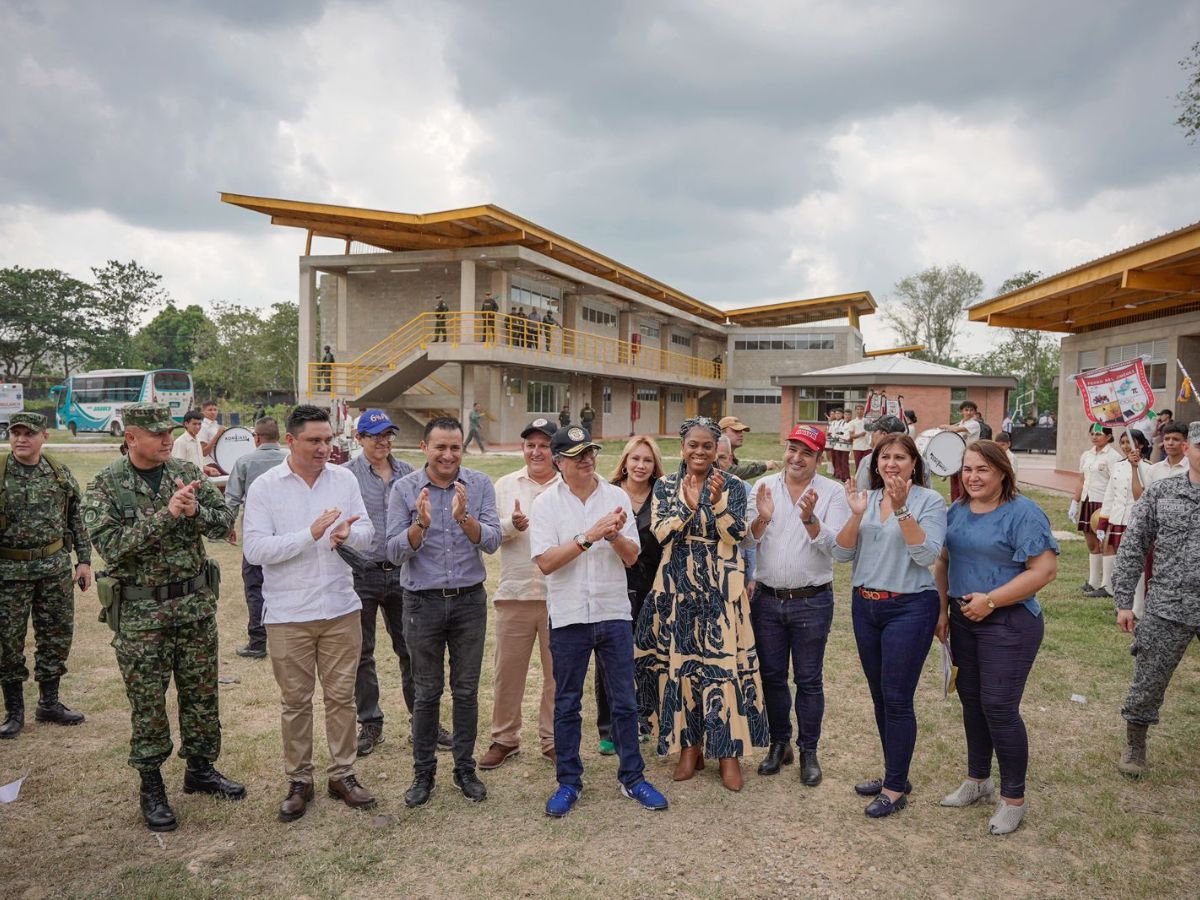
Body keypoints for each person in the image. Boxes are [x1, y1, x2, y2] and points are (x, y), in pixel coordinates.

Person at [83, 403, 244, 832]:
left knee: (201, 694)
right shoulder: (106, 485)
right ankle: (152, 784)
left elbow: (224, 524)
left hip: (193, 607)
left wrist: (195, 512)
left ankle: (201, 769)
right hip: (141, 614)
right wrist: (167, 514)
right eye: (156, 434)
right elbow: (112, 547)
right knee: (149, 704)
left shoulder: (186, 473)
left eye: (169, 432)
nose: (167, 439)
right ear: (131, 438)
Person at [243, 405, 377, 822]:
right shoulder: (266, 487)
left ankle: (343, 773)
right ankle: (299, 780)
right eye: (314, 440)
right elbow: (255, 550)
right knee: (296, 702)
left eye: (328, 440)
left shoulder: (344, 478)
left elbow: (369, 533)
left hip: (340, 607)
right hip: (288, 613)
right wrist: (311, 534)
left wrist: (348, 533)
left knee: (341, 700)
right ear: (291, 441)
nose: (324, 448)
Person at [531, 424, 669, 816]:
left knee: (624, 702)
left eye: (590, 451)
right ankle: (569, 782)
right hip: (570, 615)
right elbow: (545, 563)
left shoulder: (615, 496)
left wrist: (613, 536)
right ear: (559, 463)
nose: (587, 459)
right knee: (567, 703)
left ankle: (633, 778)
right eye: (576, 456)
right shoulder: (546, 504)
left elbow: (631, 557)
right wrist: (588, 536)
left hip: (612, 613)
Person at [638, 416, 769, 792]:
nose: (699, 451)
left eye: (707, 446)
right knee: (682, 672)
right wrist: (689, 507)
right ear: (683, 448)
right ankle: (689, 748)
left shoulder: (733, 485)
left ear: (717, 450)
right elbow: (661, 533)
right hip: (678, 591)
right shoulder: (664, 485)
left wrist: (715, 504)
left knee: (723, 671)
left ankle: (728, 754)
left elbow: (740, 536)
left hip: (720, 593)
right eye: (693, 445)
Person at [934, 440, 1058, 835]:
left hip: (1009, 623)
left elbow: (1043, 571)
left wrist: (991, 600)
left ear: (1003, 472)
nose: (972, 477)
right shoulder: (956, 510)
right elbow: (944, 560)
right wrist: (942, 610)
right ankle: (978, 781)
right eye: (967, 469)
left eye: (982, 470)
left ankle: (1013, 800)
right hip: (963, 620)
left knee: (999, 708)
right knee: (972, 702)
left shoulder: (1023, 513)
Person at [386, 416, 501, 808]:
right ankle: (423, 772)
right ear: (424, 448)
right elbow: (394, 551)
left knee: (466, 691)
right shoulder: (404, 489)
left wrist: (462, 517)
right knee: (426, 692)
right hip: (422, 603)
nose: (448, 454)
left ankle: (464, 768)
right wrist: (421, 523)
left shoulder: (479, 485)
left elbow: (492, 542)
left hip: (469, 601)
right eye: (440, 447)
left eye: (455, 447)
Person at [833, 433, 946, 818]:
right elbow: (843, 555)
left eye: (900, 457)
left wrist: (901, 510)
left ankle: (895, 788)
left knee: (897, 699)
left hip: (910, 607)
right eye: (885, 457)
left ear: (915, 463)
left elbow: (926, 555)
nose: (891, 463)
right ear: (875, 463)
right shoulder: (866, 500)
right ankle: (893, 773)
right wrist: (854, 513)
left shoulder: (929, 501)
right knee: (880, 696)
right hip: (865, 605)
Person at [745, 424, 850, 787]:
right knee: (772, 677)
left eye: (806, 452)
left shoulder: (832, 492)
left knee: (808, 679)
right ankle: (779, 743)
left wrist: (809, 519)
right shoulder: (765, 488)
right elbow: (746, 539)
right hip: (768, 600)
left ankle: (809, 750)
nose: (796, 458)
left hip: (811, 601)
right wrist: (762, 518)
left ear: (819, 458)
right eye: (792, 449)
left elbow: (836, 548)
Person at [1112, 421, 1200, 777]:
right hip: (1169, 604)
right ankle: (1136, 744)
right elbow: (1133, 546)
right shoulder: (1162, 492)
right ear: (1189, 449)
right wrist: (1123, 601)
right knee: (1148, 678)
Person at [1, 412, 92, 740]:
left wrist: (83, 561)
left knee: (55, 636)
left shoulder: (58, 473)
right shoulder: (0, 472)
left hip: (54, 569)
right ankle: (14, 711)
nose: (21, 439)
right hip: (8, 572)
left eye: (29, 433)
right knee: (7, 642)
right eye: (16, 433)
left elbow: (76, 518)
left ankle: (49, 703)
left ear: (44, 437)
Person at [480, 418, 561, 770]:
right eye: (531, 445)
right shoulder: (505, 485)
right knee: (507, 674)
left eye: (544, 445)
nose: (537, 451)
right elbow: (488, 536)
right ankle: (504, 739)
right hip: (514, 594)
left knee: (557, 676)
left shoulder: (569, 484)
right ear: (523, 448)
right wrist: (513, 525)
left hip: (558, 596)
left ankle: (553, 740)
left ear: (555, 451)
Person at [344, 410, 419, 757]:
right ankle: (370, 723)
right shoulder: (346, 477)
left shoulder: (409, 474)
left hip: (404, 571)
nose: (383, 441)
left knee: (413, 650)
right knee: (362, 652)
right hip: (363, 573)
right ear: (359, 439)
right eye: (374, 435)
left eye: (388, 434)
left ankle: (423, 721)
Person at [610, 435, 666, 741]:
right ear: (625, 462)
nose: (641, 465)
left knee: (651, 653)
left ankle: (649, 715)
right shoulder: (608, 493)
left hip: (653, 584)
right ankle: (611, 723)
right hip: (616, 583)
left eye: (647, 460)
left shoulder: (664, 494)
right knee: (616, 654)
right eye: (635, 459)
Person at [224, 417, 290, 659]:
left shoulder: (244, 462)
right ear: (280, 437)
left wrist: (227, 527)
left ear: (257, 438)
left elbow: (231, 500)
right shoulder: (290, 458)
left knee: (255, 587)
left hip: (256, 537)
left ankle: (258, 642)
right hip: (290, 536)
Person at [1091, 429, 1151, 599]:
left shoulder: (1148, 468)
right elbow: (1110, 496)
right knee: (1117, 557)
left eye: (1130, 443)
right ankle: (1113, 590)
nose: (1126, 446)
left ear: (1140, 445)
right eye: (1123, 442)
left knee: (1135, 560)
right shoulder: (1118, 466)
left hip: (1135, 519)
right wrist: (1103, 521)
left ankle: (1137, 598)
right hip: (1117, 517)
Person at [1071, 426, 1122, 594]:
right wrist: (1075, 502)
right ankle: (1093, 582)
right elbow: (1081, 480)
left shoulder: (1114, 457)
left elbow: (1117, 483)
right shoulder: (1087, 455)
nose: (1094, 437)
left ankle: (1108, 585)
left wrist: (1112, 507)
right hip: (1088, 501)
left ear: (1108, 436)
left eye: (1098, 434)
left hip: (1103, 504)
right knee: (1092, 544)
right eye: (1092, 433)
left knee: (1105, 544)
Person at [855, 416, 931, 491]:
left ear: (884, 435)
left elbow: (862, 492)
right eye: (885, 457)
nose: (872, 435)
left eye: (875, 431)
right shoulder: (921, 461)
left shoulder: (868, 461)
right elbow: (927, 490)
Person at [939, 400, 983, 502]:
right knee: (955, 485)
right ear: (961, 411)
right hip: (957, 458)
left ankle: (964, 504)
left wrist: (945, 426)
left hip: (969, 457)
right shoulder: (960, 423)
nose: (969, 412)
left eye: (971, 410)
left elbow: (957, 430)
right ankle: (955, 504)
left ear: (975, 412)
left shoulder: (974, 424)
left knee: (963, 484)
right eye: (966, 410)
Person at [719, 416, 780, 481]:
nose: (741, 434)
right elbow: (732, 472)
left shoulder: (731, 457)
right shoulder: (715, 454)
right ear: (722, 433)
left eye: (741, 431)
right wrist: (764, 466)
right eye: (736, 431)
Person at [1146, 421, 1187, 485]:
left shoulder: (1194, 469)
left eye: (1176, 439)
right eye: (1167, 439)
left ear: (1185, 442)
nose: (1170, 443)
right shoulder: (1154, 469)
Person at [197, 400, 225, 473]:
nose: (213, 412)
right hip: (210, 464)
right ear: (203, 412)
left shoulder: (217, 426)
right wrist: (217, 435)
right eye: (210, 410)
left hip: (221, 462)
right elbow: (204, 452)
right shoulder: (203, 427)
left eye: (215, 410)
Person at [826, 409, 850, 482]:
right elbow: (830, 431)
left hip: (841, 442)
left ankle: (844, 475)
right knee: (835, 459)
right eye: (836, 413)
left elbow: (842, 432)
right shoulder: (833, 422)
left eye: (839, 413)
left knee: (843, 460)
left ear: (842, 414)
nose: (837, 415)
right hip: (833, 442)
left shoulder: (844, 423)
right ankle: (837, 474)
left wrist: (837, 435)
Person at [847, 405, 871, 473]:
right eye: (858, 409)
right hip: (857, 446)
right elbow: (851, 435)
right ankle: (857, 480)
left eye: (861, 409)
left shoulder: (867, 421)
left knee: (868, 464)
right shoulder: (852, 422)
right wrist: (860, 434)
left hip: (867, 446)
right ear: (855, 411)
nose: (859, 411)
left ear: (863, 411)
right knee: (858, 465)